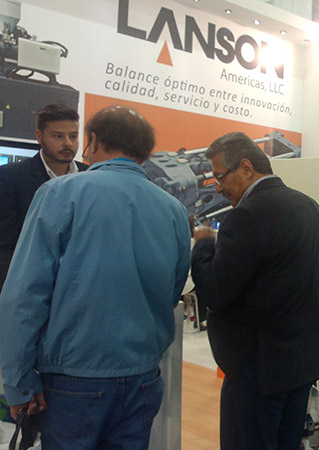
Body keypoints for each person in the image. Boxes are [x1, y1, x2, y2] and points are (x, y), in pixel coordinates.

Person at [0, 106, 191, 449]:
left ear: (92, 140)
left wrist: (19, 381)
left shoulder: (59, 193)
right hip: (143, 377)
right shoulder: (173, 209)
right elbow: (172, 290)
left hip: (73, 379)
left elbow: (24, 296)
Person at [190, 132, 319, 450]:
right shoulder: (310, 207)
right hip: (301, 364)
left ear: (245, 168)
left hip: (257, 371)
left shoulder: (245, 216)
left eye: (220, 176)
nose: (218, 187)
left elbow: (214, 292)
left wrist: (203, 246)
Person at [0, 103, 89, 291]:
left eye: (73, 136)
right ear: (39, 136)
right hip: (28, 285)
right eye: (58, 136)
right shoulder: (11, 177)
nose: (68, 143)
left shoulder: (90, 176)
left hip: (78, 287)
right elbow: (5, 245)